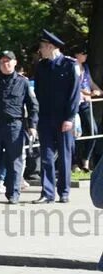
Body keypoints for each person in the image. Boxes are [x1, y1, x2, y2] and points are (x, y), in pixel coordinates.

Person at [0, 51, 39, 204]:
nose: (6, 64)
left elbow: (33, 105)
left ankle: (13, 194)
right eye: (3, 61)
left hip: (15, 125)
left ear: (15, 62)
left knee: (15, 161)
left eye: (8, 61)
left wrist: (32, 125)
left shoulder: (23, 82)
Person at [33, 30, 81, 204]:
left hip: (63, 118)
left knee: (64, 155)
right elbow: (38, 92)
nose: (40, 50)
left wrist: (70, 117)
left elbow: (75, 94)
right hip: (45, 117)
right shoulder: (42, 66)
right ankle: (47, 193)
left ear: (50, 47)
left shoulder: (70, 65)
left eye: (42, 47)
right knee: (46, 155)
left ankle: (64, 191)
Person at [72, 44, 101, 172]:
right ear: (76, 55)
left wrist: (98, 91)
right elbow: (75, 86)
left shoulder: (86, 68)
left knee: (93, 131)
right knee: (76, 133)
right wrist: (88, 94)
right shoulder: (72, 67)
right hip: (75, 105)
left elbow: (90, 83)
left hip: (85, 105)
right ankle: (74, 163)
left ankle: (85, 160)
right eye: (82, 53)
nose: (85, 55)